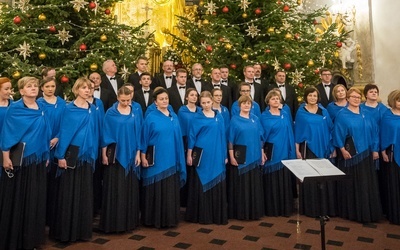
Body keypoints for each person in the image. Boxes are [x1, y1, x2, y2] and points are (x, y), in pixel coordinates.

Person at [0, 76, 51, 250]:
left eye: (35, 86)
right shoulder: (14, 109)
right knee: (19, 198)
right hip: (20, 160)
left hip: (38, 160)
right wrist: (5, 157)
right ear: (21, 91)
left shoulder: (42, 107)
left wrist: (46, 155)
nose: (33, 88)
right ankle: (15, 240)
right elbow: (7, 133)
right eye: (29, 86)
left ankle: (31, 240)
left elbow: (46, 133)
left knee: (35, 199)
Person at [50, 77, 100, 242]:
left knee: (83, 193)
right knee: (68, 193)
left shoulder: (93, 109)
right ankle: (65, 233)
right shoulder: (68, 108)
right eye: (84, 88)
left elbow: (95, 132)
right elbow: (64, 132)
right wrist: (61, 156)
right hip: (70, 156)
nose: (87, 90)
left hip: (86, 157)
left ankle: (81, 231)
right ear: (77, 89)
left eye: (89, 88)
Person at [333, 87, 382, 223]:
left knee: (366, 184)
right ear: (347, 98)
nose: (356, 99)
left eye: (358, 97)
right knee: (352, 185)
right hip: (350, 156)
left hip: (366, 154)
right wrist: (342, 149)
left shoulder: (366, 113)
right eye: (353, 97)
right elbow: (337, 132)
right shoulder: (342, 115)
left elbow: (375, 132)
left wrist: (375, 149)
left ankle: (367, 212)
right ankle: (353, 213)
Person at [140, 87, 186, 228]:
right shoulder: (151, 117)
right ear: (155, 102)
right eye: (161, 99)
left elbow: (178, 138)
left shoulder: (174, 116)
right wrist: (143, 156)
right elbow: (143, 138)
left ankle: (169, 219)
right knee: (156, 189)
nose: (164, 101)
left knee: (169, 189)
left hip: (172, 158)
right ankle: (153, 219)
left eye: (166, 98)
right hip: (156, 159)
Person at [100, 86, 142, 232]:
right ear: (117, 98)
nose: (125, 103)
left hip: (131, 156)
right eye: (123, 100)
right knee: (116, 189)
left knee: (129, 189)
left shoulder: (135, 112)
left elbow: (139, 134)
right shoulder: (110, 113)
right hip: (115, 157)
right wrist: (104, 154)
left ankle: (129, 222)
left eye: (128, 100)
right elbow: (106, 134)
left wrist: (138, 154)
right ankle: (113, 223)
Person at [186, 91, 228, 225]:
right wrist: (189, 154)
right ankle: (202, 215)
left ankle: (216, 214)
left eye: (208, 102)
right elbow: (191, 136)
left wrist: (225, 155)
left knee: (217, 177)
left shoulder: (219, 116)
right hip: (201, 154)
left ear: (212, 101)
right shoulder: (196, 118)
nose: (206, 105)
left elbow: (223, 136)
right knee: (201, 179)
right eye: (203, 103)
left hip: (216, 153)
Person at [294, 87, 336, 218]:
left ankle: (325, 207)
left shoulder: (324, 111)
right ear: (305, 97)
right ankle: (311, 209)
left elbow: (331, 129)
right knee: (311, 178)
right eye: (310, 95)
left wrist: (333, 147)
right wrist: (297, 150)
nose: (313, 98)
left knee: (324, 177)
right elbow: (298, 132)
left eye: (315, 96)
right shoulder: (301, 112)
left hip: (324, 147)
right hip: (308, 148)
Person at [227, 95, 265, 220]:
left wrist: (262, 153)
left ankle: (253, 212)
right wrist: (232, 156)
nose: (246, 105)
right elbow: (230, 140)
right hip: (241, 158)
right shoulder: (234, 120)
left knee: (253, 185)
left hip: (254, 156)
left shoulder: (255, 119)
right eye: (244, 103)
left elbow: (260, 138)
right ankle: (241, 213)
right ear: (239, 105)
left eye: (249, 103)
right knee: (242, 186)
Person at [36, 77, 67, 227]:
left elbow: (67, 124)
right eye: (47, 86)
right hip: (43, 146)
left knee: (57, 182)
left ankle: (55, 216)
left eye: (52, 86)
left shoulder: (62, 103)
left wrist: (57, 138)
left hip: (59, 145)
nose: (50, 89)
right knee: (44, 182)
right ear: (42, 88)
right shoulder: (38, 104)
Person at [260, 89, 296, 216]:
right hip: (272, 153)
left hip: (285, 151)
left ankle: (285, 209)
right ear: (268, 101)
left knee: (284, 180)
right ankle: (273, 209)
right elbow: (261, 135)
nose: (276, 100)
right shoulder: (264, 116)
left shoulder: (285, 114)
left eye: (277, 98)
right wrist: (262, 151)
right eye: (273, 98)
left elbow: (290, 131)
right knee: (272, 182)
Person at [177, 88, 200, 207]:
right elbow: (180, 129)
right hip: (185, 141)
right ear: (186, 97)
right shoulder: (182, 111)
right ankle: (184, 199)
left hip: (199, 143)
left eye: (196, 95)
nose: (194, 97)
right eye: (192, 95)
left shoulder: (200, 111)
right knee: (187, 167)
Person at [380, 90, 400, 225]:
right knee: (394, 184)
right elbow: (383, 135)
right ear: (393, 100)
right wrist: (382, 151)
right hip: (393, 155)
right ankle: (395, 214)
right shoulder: (387, 116)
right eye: (398, 100)